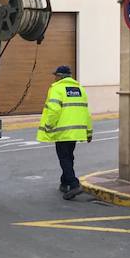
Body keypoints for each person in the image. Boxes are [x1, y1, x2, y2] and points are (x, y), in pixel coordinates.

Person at [36, 65, 93, 199]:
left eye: (55, 75)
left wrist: (48, 126)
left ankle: (74, 184)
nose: (54, 78)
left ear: (60, 76)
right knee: (69, 156)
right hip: (76, 131)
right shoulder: (80, 89)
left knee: (64, 158)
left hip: (62, 131)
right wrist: (89, 132)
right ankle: (64, 182)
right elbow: (86, 112)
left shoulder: (57, 89)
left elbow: (54, 110)